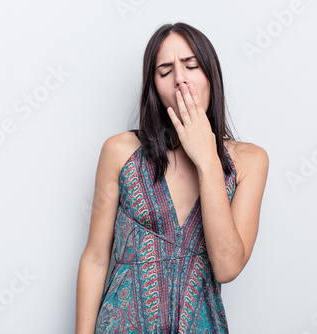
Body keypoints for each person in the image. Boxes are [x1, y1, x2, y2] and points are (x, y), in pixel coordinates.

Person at [76, 22, 269, 333]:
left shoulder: (249, 160)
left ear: (211, 76)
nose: (180, 79)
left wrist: (207, 160)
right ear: (154, 87)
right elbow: (95, 259)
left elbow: (227, 266)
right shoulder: (119, 151)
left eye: (191, 66)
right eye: (165, 71)